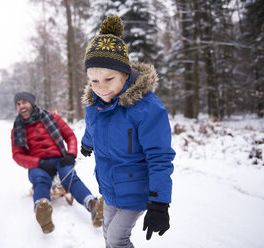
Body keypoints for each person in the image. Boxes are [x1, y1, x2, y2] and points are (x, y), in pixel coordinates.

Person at [80, 16, 176, 247]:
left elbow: (159, 156)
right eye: (94, 81)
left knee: (117, 237)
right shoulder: (95, 104)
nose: (101, 87)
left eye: (108, 79)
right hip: (110, 186)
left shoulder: (147, 108)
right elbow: (93, 127)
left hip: (137, 190)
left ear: (125, 74)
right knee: (107, 231)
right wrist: (87, 142)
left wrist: (159, 203)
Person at [11, 91, 104, 234]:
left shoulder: (51, 117)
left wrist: (71, 154)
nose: (21, 106)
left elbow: (70, 136)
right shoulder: (17, 128)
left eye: (24, 102)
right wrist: (38, 162)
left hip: (60, 158)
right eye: (18, 104)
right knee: (41, 179)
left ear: (31, 103)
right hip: (38, 164)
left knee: (70, 176)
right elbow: (17, 155)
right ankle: (42, 210)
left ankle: (92, 205)